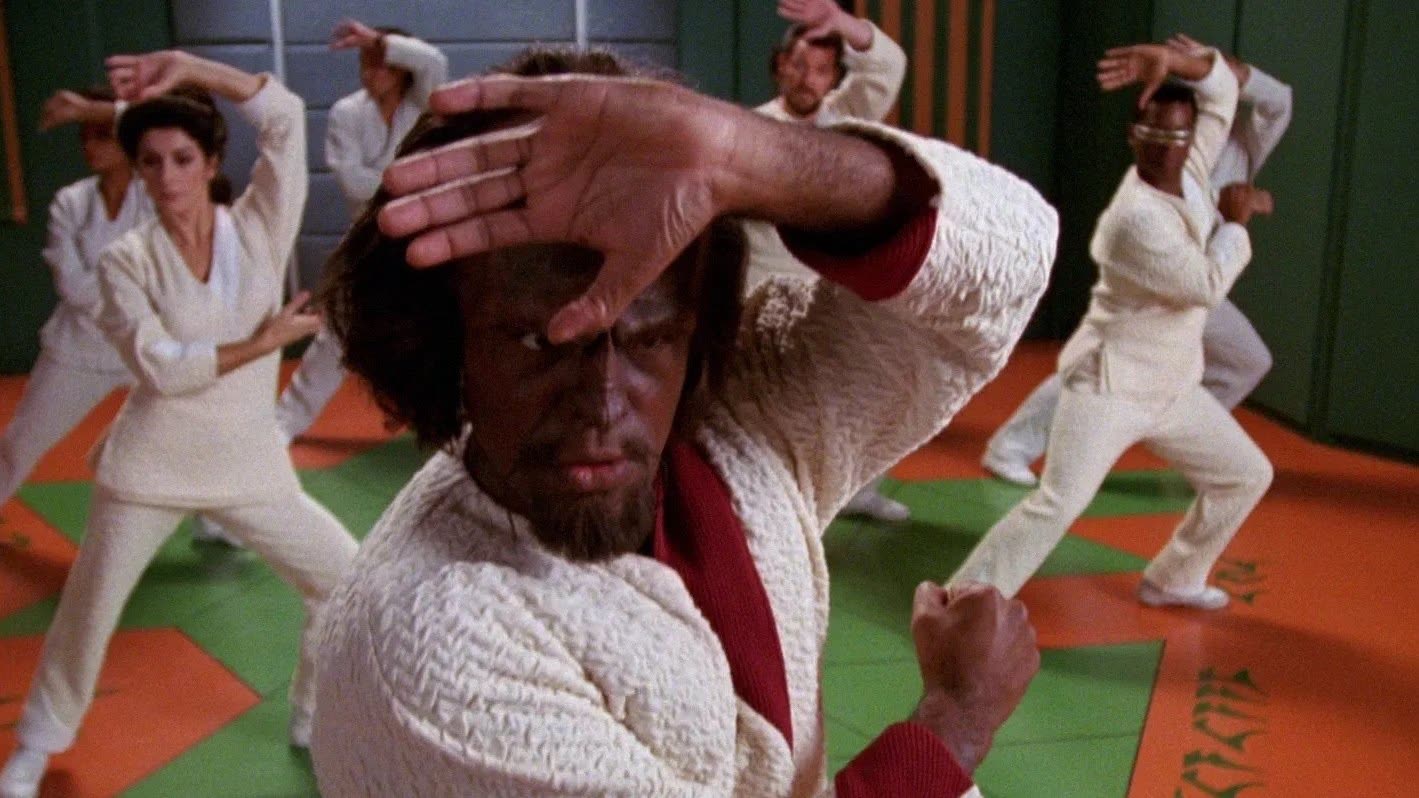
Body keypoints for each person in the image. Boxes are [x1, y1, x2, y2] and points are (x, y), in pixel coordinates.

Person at [309, 46, 1055, 796]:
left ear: (695, 332)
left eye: (651, 336)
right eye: (539, 342)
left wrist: (750, 158)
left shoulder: (745, 424)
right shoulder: (433, 642)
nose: (602, 400)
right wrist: (953, 724)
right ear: (444, 345)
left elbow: (1009, 262)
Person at [0, 51, 358, 798]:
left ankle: (311, 712)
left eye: (183, 159)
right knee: (87, 611)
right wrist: (265, 341)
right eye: (151, 161)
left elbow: (284, 118)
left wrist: (194, 69)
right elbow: (162, 368)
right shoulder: (125, 261)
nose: (167, 177)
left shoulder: (261, 227)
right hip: (149, 470)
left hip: (248, 466)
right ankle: (35, 745)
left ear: (212, 162)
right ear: (137, 169)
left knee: (343, 581)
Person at [948, 43, 1274, 610]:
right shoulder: (1134, 219)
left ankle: (1174, 577)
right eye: (1154, 134)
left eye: (1178, 135)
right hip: (1109, 385)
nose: (1167, 146)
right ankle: (961, 602)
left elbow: (1222, 93)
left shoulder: (1191, 171)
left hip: (1173, 386)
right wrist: (1236, 224)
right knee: (1058, 503)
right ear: (1133, 136)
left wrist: (1178, 64)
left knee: (1245, 475)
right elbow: (1204, 284)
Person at [982, 34, 1292, 486]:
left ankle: (1172, 432)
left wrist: (1197, 62)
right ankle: (1012, 446)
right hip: (1161, 272)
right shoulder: (1175, 148)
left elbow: (1273, 97)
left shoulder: (1237, 138)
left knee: (1246, 360)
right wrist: (1236, 219)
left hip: (1193, 280)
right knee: (1099, 363)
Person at [752, 0, 913, 522]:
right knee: (771, 411)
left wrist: (845, 25)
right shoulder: (751, 130)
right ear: (780, 66)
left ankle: (858, 490)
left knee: (870, 388)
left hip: (832, 286)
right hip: (763, 289)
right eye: (799, 65)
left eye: (822, 70)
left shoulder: (847, 122)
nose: (808, 79)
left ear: (834, 79)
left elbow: (890, 66)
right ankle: (773, 507)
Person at [271, 19, 448, 443]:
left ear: (402, 69)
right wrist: (415, 178)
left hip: (430, 236)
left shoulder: (425, 104)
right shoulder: (347, 114)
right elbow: (352, 182)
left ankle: (454, 426)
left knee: (449, 334)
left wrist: (378, 41)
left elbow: (435, 61)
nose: (370, 73)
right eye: (364, 64)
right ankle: (282, 425)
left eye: (380, 63)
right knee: (337, 330)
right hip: (370, 240)